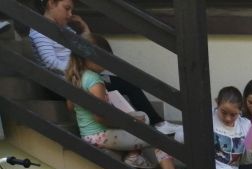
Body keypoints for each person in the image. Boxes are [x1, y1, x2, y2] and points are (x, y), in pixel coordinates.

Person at [28, 0, 179, 134]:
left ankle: (155, 123)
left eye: (71, 10)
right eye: (66, 8)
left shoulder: (66, 30)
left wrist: (85, 31)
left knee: (127, 84)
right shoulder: (39, 30)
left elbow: (83, 50)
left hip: (79, 76)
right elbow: (51, 62)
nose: (70, 14)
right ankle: (152, 126)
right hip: (67, 81)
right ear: (51, 3)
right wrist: (79, 69)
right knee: (115, 90)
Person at [65, 33, 186, 169]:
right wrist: (128, 123)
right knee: (159, 138)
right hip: (102, 134)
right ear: (89, 57)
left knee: (142, 116)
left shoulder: (77, 77)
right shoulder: (95, 81)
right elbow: (100, 117)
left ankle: (133, 156)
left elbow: (70, 107)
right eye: (104, 58)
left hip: (89, 133)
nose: (107, 63)